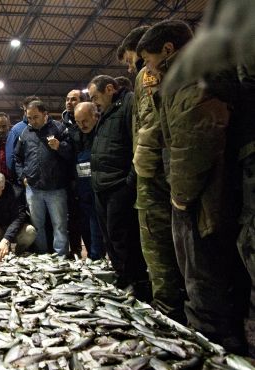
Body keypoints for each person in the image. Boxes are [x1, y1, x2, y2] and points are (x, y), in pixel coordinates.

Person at [137, 19, 247, 354]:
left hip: (203, 191)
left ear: (168, 50)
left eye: (149, 60)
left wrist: (181, 197)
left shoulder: (189, 74)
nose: (146, 69)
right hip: (208, 186)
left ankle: (213, 347)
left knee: (202, 268)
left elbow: (193, 138)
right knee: (211, 266)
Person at [118, 26, 187, 322]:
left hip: (161, 172)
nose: (133, 65)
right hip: (165, 169)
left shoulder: (150, 74)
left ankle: (172, 313)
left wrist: (141, 163)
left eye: (134, 59)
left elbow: (151, 124)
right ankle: (172, 307)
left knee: (162, 246)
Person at [88, 75, 150, 300]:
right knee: (109, 237)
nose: (94, 102)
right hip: (102, 186)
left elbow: (137, 142)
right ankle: (121, 276)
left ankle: (136, 282)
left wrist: (130, 181)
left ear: (110, 89)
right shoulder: (106, 112)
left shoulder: (128, 105)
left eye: (95, 96)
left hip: (118, 185)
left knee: (122, 236)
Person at [14, 100, 73, 257]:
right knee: (37, 225)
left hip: (56, 189)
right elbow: (17, 157)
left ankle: (61, 256)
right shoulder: (25, 133)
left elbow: (72, 153)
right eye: (29, 118)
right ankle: (42, 256)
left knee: (59, 224)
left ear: (45, 114)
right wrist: (23, 177)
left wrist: (60, 146)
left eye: (36, 117)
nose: (32, 121)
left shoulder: (59, 128)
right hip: (33, 189)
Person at [72, 102, 105, 261]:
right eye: (78, 122)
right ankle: (93, 258)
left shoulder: (103, 133)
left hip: (100, 188)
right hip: (83, 190)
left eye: (84, 121)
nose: (81, 125)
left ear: (95, 116)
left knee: (98, 226)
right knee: (86, 225)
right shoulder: (76, 135)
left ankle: (98, 257)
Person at [62, 89, 86, 258]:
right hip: (69, 178)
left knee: (89, 216)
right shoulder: (62, 126)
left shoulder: (90, 122)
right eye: (68, 99)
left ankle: (95, 252)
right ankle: (75, 250)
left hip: (87, 177)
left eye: (74, 99)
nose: (69, 102)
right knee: (72, 217)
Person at [6, 95, 40, 193]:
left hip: (45, 184)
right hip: (24, 183)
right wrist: (21, 178)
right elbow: (11, 158)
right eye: (26, 110)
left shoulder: (48, 128)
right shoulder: (17, 130)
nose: (29, 113)